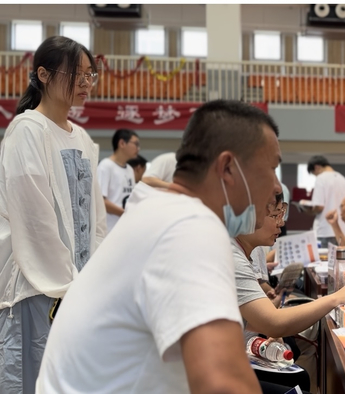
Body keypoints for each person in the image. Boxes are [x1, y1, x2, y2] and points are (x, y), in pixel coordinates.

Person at [36, 100, 285, 393]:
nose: (275, 188)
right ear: (228, 167)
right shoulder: (190, 227)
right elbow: (224, 383)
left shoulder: (157, 210)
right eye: (271, 168)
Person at [0, 36, 107, 394]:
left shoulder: (83, 138)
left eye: (90, 75)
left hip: (76, 289)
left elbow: (96, 219)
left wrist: (94, 279)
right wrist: (68, 286)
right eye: (76, 74)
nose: (85, 84)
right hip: (39, 287)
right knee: (37, 381)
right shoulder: (28, 130)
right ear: (43, 75)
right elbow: (35, 221)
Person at [234, 195, 345, 391]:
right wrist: (335, 298)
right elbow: (273, 322)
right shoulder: (233, 256)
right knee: (298, 379)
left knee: (298, 376)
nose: (282, 222)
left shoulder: (240, 251)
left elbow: (252, 319)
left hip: (233, 354)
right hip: (220, 369)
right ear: (251, 215)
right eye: (276, 215)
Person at [302, 155, 345, 248]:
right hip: (343, 231)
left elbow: (319, 207)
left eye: (314, 173)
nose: (315, 176)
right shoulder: (344, 180)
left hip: (325, 230)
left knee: (325, 262)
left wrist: (307, 209)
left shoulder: (321, 178)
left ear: (317, 167)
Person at [97, 128, 140, 232]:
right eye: (136, 144)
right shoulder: (106, 166)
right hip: (109, 229)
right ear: (122, 143)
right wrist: (124, 212)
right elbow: (100, 201)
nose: (138, 148)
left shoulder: (129, 169)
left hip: (125, 227)